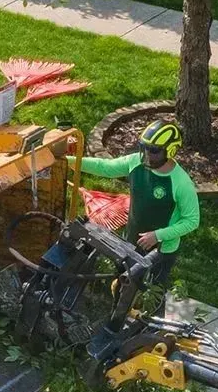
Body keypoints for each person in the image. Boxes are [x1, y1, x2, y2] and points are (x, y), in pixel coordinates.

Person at [77, 119, 201, 293]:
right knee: (124, 281)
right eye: (144, 148)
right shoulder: (136, 162)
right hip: (132, 239)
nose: (147, 154)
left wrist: (158, 235)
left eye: (154, 151)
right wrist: (69, 160)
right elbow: (104, 167)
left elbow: (192, 220)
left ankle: (147, 315)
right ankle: (120, 309)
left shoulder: (181, 183)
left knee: (152, 292)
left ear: (170, 151)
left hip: (161, 250)